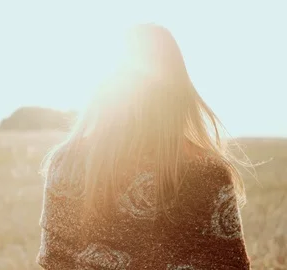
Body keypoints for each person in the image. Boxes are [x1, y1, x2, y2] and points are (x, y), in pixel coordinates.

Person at [36, 23, 251, 269]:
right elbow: (231, 265)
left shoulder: (67, 163)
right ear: (178, 89)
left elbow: (55, 261)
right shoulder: (208, 172)